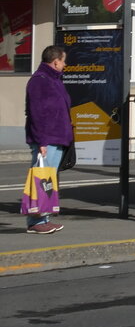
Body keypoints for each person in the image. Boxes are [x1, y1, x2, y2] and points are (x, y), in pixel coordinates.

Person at [23, 45, 72, 235]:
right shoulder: (40, 81)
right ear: (55, 61)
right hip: (46, 139)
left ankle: (44, 219)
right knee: (40, 179)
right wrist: (41, 141)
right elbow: (36, 113)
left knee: (47, 180)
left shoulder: (54, 80)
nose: (65, 64)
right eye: (63, 60)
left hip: (56, 137)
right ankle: (36, 221)